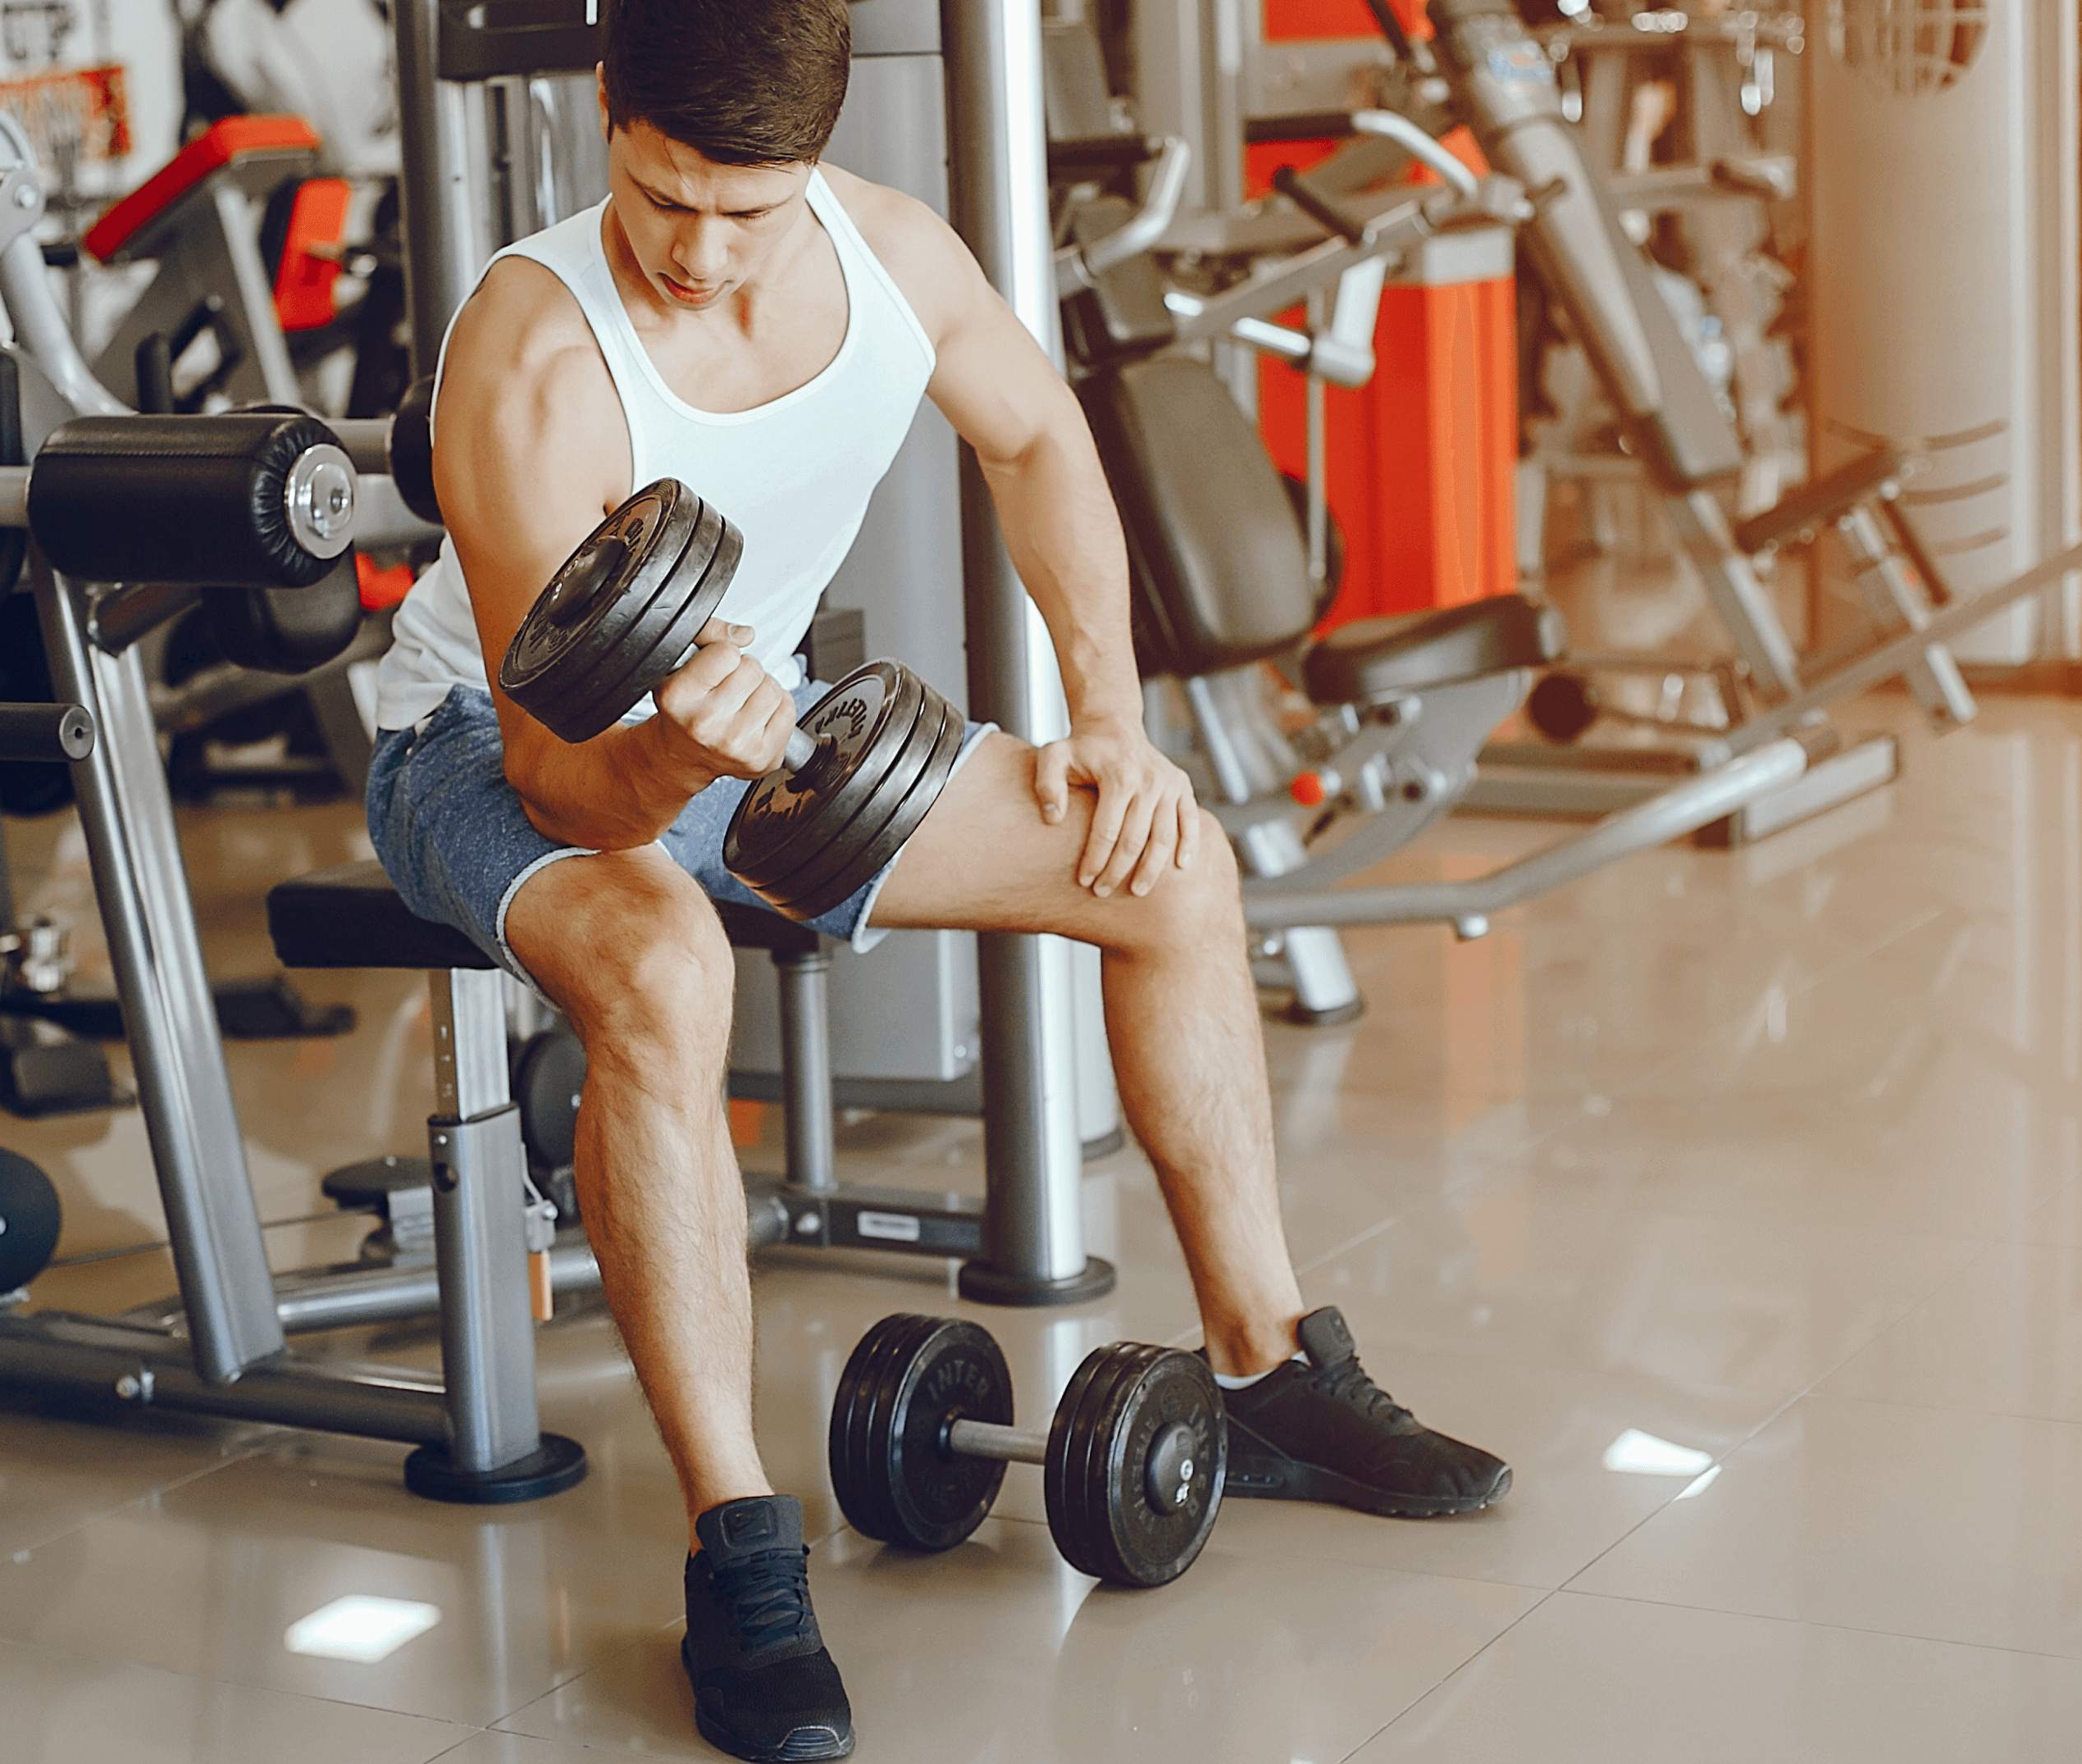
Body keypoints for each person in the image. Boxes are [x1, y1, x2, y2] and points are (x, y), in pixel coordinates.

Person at [362, 3, 1512, 1757]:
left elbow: (1041, 440)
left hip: (754, 712)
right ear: (607, 109)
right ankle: (738, 1543)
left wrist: (1112, 724)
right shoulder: (532, 359)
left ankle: (1270, 1367)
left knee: (1168, 861)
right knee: (667, 967)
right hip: (494, 743)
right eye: (662, 193)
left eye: (746, 212)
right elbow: (566, 779)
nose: (695, 248)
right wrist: (687, 751)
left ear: (818, 167)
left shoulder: (894, 261)